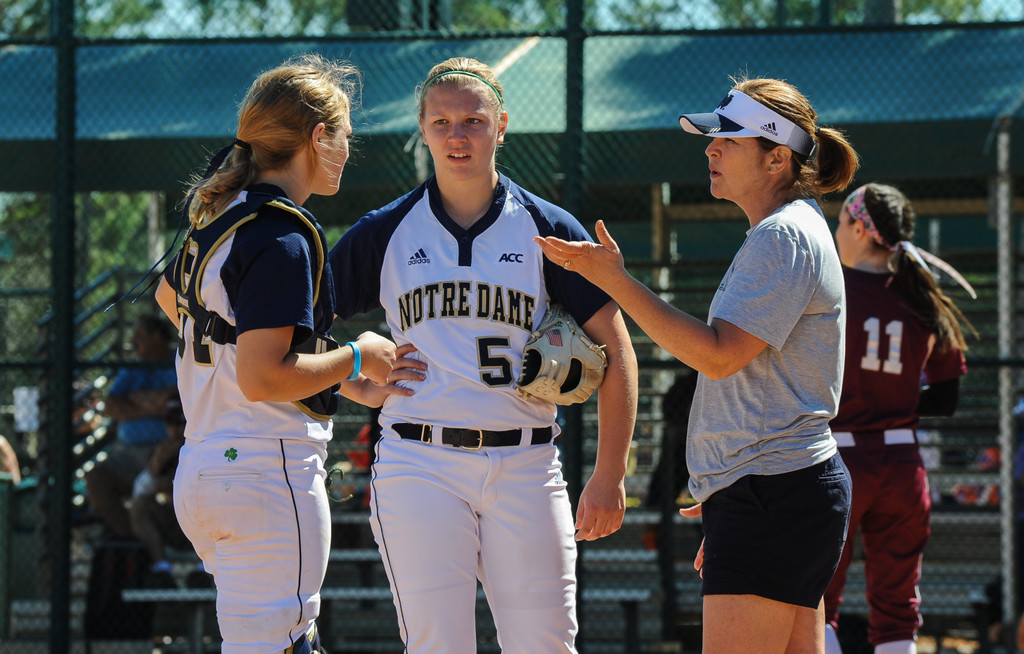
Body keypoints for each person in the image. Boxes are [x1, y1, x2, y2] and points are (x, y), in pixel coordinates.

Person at [535, 76, 859, 654]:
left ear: (776, 158)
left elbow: (717, 356)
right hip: (776, 492)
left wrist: (614, 280)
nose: (710, 148)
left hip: (772, 494)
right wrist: (727, 496)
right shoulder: (788, 230)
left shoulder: (782, 236)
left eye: (728, 139)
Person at [329, 56, 638, 653]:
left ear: (501, 125)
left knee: (546, 644)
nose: (457, 135)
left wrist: (609, 474)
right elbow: (297, 329)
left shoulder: (547, 227)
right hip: (418, 461)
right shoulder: (386, 230)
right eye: (441, 121)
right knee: (439, 645)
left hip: (526, 462)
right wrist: (355, 378)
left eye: (472, 119)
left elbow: (617, 347)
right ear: (421, 129)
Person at [153, 54, 420, 654]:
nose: (350, 150)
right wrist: (355, 357)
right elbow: (260, 376)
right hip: (263, 474)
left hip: (206, 469)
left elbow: (174, 299)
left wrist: (319, 369)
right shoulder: (284, 233)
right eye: (345, 135)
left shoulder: (223, 215)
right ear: (318, 137)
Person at [824, 183, 974, 654]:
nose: (835, 230)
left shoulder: (830, 290)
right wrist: (895, 403)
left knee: (817, 600)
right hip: (901, 465)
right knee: (896, 610)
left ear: (860, 229)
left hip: (836, 463)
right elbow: (946, 397)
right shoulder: (922, 297)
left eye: (842, 221)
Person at [85, 313, 177, 538]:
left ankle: (183, 547)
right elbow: (110, 406)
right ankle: (135, 544)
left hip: (171, 450)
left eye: (139, 336)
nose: (132, 342)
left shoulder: (181, 361)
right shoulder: (133, 368)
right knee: (96, 479)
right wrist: (152, 407)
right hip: (127, 454)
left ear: (157, 338)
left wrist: (134, 399)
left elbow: (172, 401)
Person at [128, 395, 192, 589]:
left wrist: (173, 485)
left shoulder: (203, 448)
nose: (175, 430)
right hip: (174, 523)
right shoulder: (162, 451)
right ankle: (162, 570)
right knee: (140, 505)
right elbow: (139, 491)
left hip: (200, 521)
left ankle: (201, 571)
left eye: (180, 424)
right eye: (170, 424)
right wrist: (155, 467)